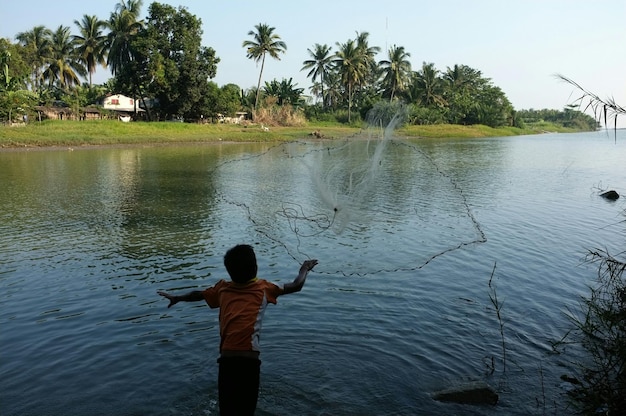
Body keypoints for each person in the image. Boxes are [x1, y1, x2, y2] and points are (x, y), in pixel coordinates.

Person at [157, 244, 318, 415]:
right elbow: (297, 285)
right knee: (246, 411)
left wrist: (177, 298)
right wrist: (304, 268)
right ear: (255, 268)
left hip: (226, 362)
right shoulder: (265, 288)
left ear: (229, 271)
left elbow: (198, 294)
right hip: (249, 363)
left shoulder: (222, 289)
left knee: (227, 411)